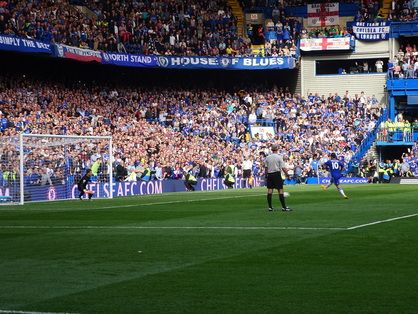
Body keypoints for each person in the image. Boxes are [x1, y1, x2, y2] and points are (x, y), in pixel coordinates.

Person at [264, 144, 292, 212]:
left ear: (271, 149)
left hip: (270, 174)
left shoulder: (268, 157)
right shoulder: (279, 157)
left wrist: (266, 175)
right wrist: (287, 174)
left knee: (270, 191)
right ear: (277, 149)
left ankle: (270, 207)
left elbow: (266, 168)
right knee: (280, 190)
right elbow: (283, 168)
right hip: (276, 174)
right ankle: (284, 207)